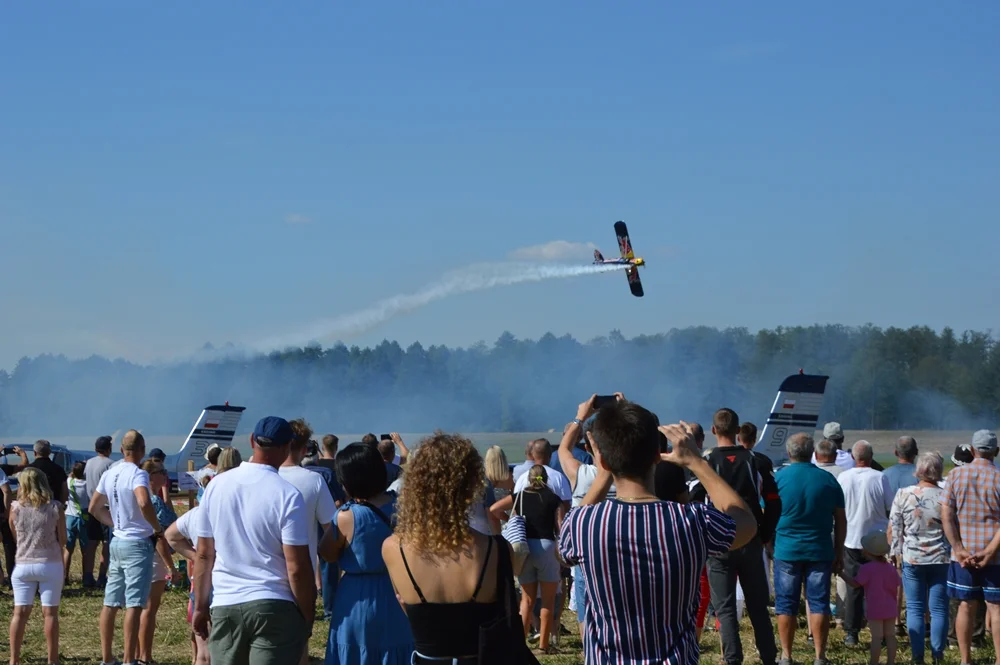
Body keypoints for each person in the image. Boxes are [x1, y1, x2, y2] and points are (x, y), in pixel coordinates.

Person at [558, 396, 757, 664]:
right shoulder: (691, 520)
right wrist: (697, 462)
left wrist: (605, 471)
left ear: (602, 461)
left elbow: (568, 540)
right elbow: (746, 523)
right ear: (657, 456)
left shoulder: (584, 524)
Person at [384, 433, 517, 664]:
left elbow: (408, 609)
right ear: (471, 486)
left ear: (416, 484)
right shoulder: (496, 550)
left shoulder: (393, 548)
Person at [193, 416, 315, 665]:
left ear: (252, 441)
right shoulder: (288, 495)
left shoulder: (216, 486)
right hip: (273, 603)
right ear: (288, 446)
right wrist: (307, 615)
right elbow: (297, 568)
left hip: (226, 603)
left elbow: (205, 554)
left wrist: (200, 605)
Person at [691, 408, 779, 665]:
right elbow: (774, 502)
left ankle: (732, 659)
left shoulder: (705, 462)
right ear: (738, 431)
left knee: (725, 608)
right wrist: (764, 534)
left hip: (719, 544)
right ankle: (769, 658)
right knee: (758, 607)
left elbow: (693, 500)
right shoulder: (757, 460)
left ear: (714, 430)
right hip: (750, 540)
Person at [319, 442, 414, 665]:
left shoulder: (347, 516)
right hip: (399, 590)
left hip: (357, 597)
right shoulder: (403, 507)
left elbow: (327, 553)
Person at [88, 430, 166, 665]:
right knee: (134, 602)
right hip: (137, 543)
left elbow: (94, 507)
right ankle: (129, 659)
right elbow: (143, 501)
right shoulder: (138, 474)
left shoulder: (111, 473)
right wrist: (156, 528)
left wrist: (115, 523)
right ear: (142, 451)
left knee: (111, 601)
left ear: (122, 450)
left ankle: (107, 658)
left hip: (117, 540)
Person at [773, 432, 847, 665]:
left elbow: (767, 513)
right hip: (820, 549)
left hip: (786, 549)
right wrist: (839, 551)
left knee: (785, 603)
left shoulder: (778, 478)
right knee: (819, 602)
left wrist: (767, 541)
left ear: (788, 453)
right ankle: (819, 656)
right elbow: (841, 519)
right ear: (813, 454)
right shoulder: (827, 480)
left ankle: (786, 654)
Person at [165, 447, 241, 665]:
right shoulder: (240, 509)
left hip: (202, 584)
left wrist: (195, 556)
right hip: (233, 586)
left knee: (203, 650)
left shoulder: (197, 514)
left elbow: (170, 536)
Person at [491, 464, 566, 654]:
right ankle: (544, 646)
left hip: (524, 548)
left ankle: (520, 645)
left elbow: (494, 509)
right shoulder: (554, 499)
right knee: (548, 601)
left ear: (529, 478)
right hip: (547, 547)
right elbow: (560, 527)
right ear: (546, 478)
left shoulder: (520, 496)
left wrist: (510, 520)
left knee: (526, 600)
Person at [941, 429, 1000, 665]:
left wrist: (958, 547)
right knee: (996, 608)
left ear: (973, 450)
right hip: (996, 556)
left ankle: (966, 660)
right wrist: (989, 551)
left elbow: (946, 514)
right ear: (996, 451)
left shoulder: (955, 476)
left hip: (963, 556)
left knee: (966, 605)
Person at [281, 418, 337, 663]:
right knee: (299, 646)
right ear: (305, 449)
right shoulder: (314, 480)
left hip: (260, 576)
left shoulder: (264, 476)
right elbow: (331, 528)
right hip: (300, 574)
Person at [888, 451, 950, 664]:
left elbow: (895, 528)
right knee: (939, 608)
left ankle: (917, 655)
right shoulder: (946, 495)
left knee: (914, 607)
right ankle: (938, 653)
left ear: (919, 470)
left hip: (912, 557)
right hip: (940, 558)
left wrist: (895, 553)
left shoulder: (904, 494)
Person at [8, 468, 66, 665]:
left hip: (23, 564)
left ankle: (14, 659)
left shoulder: (15, 508)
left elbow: (15, 534)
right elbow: (63, 539)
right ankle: (52, 659)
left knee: (20, 613)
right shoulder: (55, 507)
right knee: (49, 613)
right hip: (50, 563)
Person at [838, 440, 894, 646]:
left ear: (853, 457)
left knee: (854, 588)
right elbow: (890, 506)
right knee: (878, 589)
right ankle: (880, 633)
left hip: (851, 538)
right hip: (876, 541)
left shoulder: (843, 477)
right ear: (871, 457)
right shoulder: (880, 477)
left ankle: (851, 632)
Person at [139, 459, 181, 665]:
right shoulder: (154, 502)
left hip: (139, 554)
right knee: (149, 609)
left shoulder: (143, 498)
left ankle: (137, 653)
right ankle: (145, 655)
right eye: (161, 472)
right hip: (154, 556)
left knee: (138, 608)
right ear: (151, 476)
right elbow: (164, 532)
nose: (165, 475)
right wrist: (170, 566)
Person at [839, 529, 901, 665]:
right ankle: (891, 661)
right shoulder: (890, 568)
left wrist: (842, 574)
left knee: (876, 638)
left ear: (867, 551)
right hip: (890, 606)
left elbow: (855, 584)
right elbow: (898, 582)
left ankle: (874, 662)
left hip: (875, 608)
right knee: (890, 636)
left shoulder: (866, 569)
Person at [83, 435, 115, 588]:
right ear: (109, 448)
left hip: (91, 506)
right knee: (106, 543)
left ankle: (87, 575)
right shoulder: (111, 464)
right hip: (106, 507)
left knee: (91, 542)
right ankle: (102, 576)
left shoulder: (88, 463)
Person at [512, 439, 572, 509]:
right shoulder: (559, 477)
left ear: (533, 455)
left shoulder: (522, 478)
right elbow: (566, 505)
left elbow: (516, 504)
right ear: (550, 455)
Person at [1, 445, 29, 585]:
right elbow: (23, 466)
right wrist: (22, 454)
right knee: (9, 545)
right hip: (2, 512)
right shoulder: (2, 470)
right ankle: (12, 576)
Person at [63, 461, 90, 584]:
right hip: (84, 517)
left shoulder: (70, 482)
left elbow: (69, 476)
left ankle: (64, 576)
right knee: (86, 550)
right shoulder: (87, 485)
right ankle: (86, 577)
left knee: (68, 548)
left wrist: (73, 472)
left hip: (70, 516)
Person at [29, 440, 68, 504]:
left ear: (35, 453)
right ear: (49, 452)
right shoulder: (59, 470)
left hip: (32, 506)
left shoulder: (29, 469)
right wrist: (61, 505)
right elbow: (64, 492)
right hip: (53, 507)